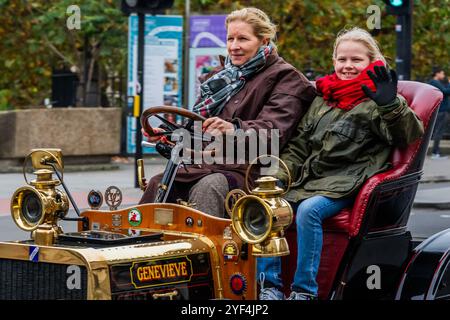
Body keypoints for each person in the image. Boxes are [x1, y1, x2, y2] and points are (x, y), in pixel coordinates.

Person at [257, 27, 424, 300]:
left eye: (356, 60)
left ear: (371, 62)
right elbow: (299, 145)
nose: (348, 66)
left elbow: (406, 135)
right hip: (309, 180)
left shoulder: (381, 97)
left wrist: (390, 104)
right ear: (334, 61)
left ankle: (304, 292)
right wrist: (277, 178)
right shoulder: (324, 97)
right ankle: (270, 288)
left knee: (309, 211)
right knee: (269, 206)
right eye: (342, 59)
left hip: (347, 183)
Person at [139, 7, 316, 217]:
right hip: (205, 164)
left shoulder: (287, 78)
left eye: (243, 39)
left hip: (252, 171)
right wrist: (168, 134)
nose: (234, 46)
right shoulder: (219, 77)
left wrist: (233, 128)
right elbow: (198, 128)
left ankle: (205, 249)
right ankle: (146, 244)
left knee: (209, 187)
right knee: (158, 183)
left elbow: (272, 134)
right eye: (230, 39)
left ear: (264, 41)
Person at [428, 68, 450, 159]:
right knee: (439, 132)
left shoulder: (435, 83)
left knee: (439, 131)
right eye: (442, 73)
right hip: (441, 111)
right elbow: (446, 92)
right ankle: (435, 153)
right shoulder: (434, 82)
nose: (443, 75)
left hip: (442, 110)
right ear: (437, 74)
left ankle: (436, 152)